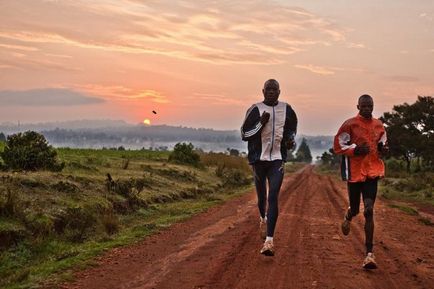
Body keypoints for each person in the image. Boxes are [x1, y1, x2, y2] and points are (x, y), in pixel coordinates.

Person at [241, 79, 297, 256]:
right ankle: (262, 218)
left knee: (273, 196)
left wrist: (290, 141)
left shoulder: (287, 109)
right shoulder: (255, 109)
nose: (271, 92)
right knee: (262, 198)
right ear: (263, 91)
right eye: (268, 89)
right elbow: (244, 134)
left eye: (274, 89)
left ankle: (269, 241)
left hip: (277, 160)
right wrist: (260, 123)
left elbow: (291, 130)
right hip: (259, 160)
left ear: (279, 92)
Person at [333, 94, 388, 269]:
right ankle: (349, 215)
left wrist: (383, 148)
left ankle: (369, 254)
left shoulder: (379, 125)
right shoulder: (350, 124)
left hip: (372, 171)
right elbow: (338, 146)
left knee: (369, 210)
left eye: (369, 106)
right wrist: (355, 150)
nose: (367, 109)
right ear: (358, 106)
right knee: (356, 208)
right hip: (355, 173)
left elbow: (384, 143)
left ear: (373, 106)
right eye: (364, 106)